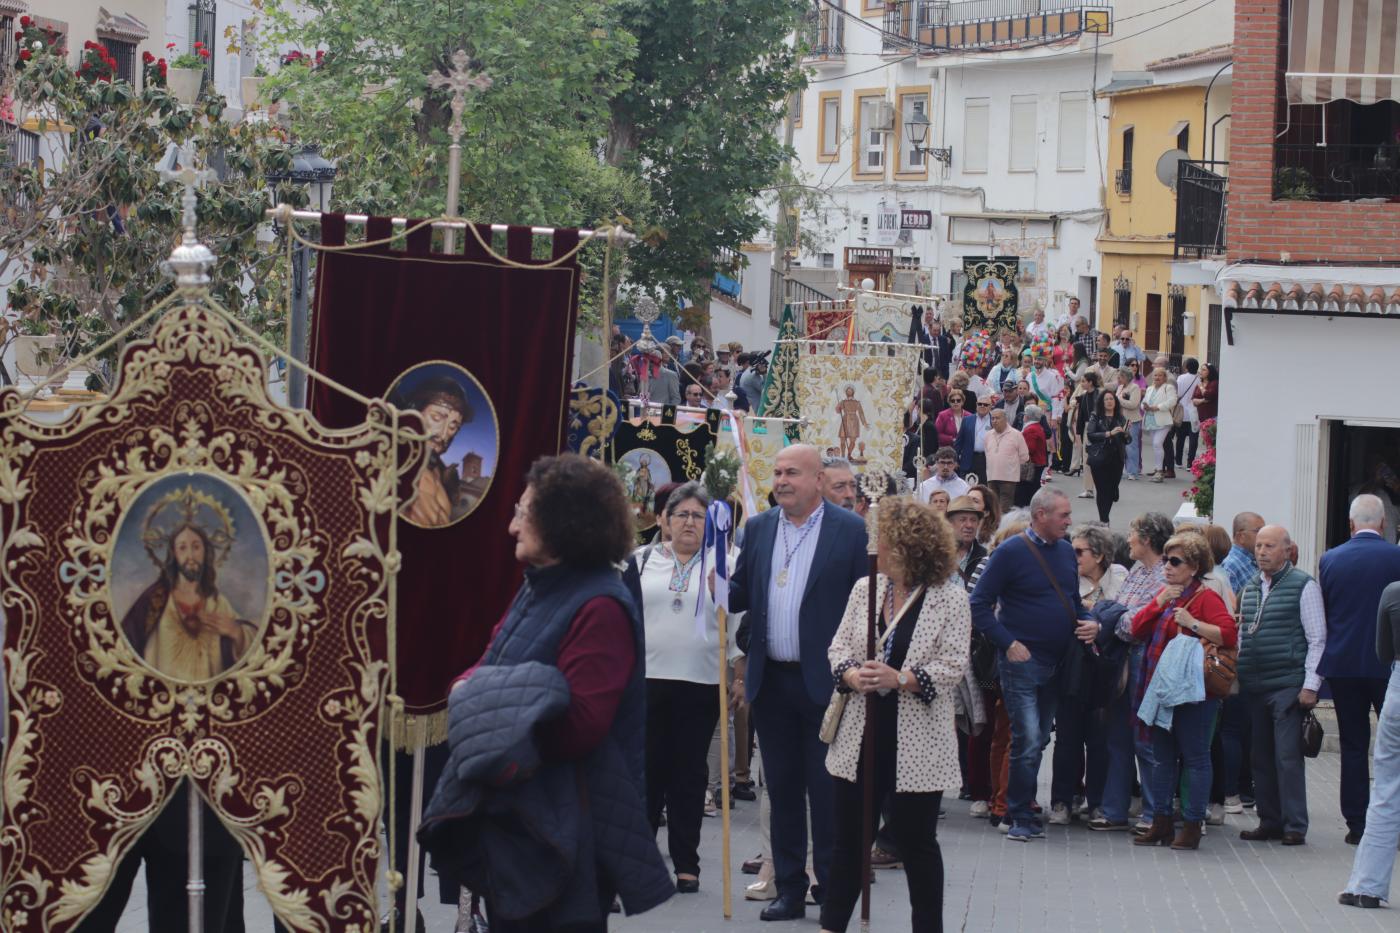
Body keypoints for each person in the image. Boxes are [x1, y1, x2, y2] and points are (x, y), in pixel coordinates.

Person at [424, 454, 672, 931]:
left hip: (565, 831)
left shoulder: (600, 605)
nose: (513, 526)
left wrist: (485, 704)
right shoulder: (541, 587)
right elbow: (483, 673)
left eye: (523, 512)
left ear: (563, 521)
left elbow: (580, 725)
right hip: (526, 821)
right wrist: (490, 695)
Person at [728, 445, 868, 921]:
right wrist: (711, 572)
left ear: (816, 480)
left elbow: (864, 604)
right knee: (783, 790)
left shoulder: (849, 531)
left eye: (791, 472)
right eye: (777, 472)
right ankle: (789, 888)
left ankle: (831, 887)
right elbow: (740, 593)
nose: (781, 479)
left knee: (827, 792)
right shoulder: (759, 527)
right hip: (773, 683)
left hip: (827, 684)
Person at [820, 498, 969, 933]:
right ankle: (832, 926)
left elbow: (952, 665)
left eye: (882, 539)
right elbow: (839, 646)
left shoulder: (950, 598)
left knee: (916, 841)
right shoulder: (867, 588)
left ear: (908, 546)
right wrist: (851, 673)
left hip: (917, 740)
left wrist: (898, 678)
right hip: (860, 733)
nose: (874, 547)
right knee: (849, 842)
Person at [970, 488, 1098, 842]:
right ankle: (1018, 814)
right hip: (1021, 664)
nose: (1069, 521)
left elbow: (1072, 600)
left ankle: (1018, 807)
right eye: (1063, 515)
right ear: (1041, 516)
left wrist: (1091, 622)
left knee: (1039, 738)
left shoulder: (1064, 551)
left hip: (1058, 662)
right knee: (1026, 739)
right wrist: (1007, 643)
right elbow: (979, 603)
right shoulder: (1010, 551)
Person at [634, 483, 742, 893]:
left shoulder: (725, 562)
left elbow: (735, 620)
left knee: (689, 774)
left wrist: (738, 671)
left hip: (700, 681)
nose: (689, 523)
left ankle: (686, 863)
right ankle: (641, 861)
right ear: (664, 519)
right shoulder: (641, 561)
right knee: (646, 771)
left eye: (698, 516)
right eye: (681, 515)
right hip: (646, 680)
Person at [1129, 533, 1238, 850]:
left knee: (1194, 758)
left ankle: (1191, 824)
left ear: (1194, 566)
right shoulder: (1167, 594)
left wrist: (1192, 623)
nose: (1167, 566)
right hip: (1162, 688)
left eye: (1175, 561)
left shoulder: (1205, 597)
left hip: (1194, 691)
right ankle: (1161, 821)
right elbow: (1136, 629)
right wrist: (1157, 603)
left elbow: (1228, 635)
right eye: (1165, 560)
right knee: (1162, 758)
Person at [1236, 525, 1327, 846]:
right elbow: (1241, 634)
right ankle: (1270, 820)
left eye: (1269, 546)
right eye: (1258, 545)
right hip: (1254, 685)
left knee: (1287, 757)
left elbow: (1317, 639)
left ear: (1287, 550)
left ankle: (1294, 825)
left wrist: (1311, 685)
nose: (1261, 551)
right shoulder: (1249, 587)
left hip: (1287, 684)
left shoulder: (1304, 586)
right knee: (1259, 756)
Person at [1319, 494, 1400, 844]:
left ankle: (1357, 823)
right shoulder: (1396, 558)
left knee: (1353, 744)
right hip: (1389, 665)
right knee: (1394, 745)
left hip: (1345, 663)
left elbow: (1327, 611)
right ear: (1383, 524)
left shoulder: (1330, 560)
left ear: (1351, 524)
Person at [1090, 512, 1174, 832]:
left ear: (1147, 540)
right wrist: (1118, 618)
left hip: (1146, 659)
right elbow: (1120, 612)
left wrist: (1117, 619)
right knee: (1118, 736)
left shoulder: (1164, 576)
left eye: (1133, 533)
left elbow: (1129, 624)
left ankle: (1154, 812)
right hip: (1125, 659)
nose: (1128, 539)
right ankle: (1114, 809)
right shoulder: (1138, 571)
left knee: (1145, 737)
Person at [1048, 524, 1128, 827]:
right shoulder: (1066, 578)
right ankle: (1062, 801)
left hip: (1107, 669)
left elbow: (1125, 611)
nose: (1073, 556)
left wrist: (1096, 614)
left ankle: (1097, 802)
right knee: (1067, 738)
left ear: (1100, 554)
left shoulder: (1119, 577)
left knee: (1100, 739)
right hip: (1072, 668)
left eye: (1079, 551)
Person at [119, 523, 258, 681]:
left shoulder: (216, 601)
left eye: (196, 547)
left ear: (205, 552)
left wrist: (237, 632)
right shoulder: (154, 600)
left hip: (210, 696)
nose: (190, 556)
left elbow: (256, 650)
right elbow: (124, 647)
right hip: (163, 694)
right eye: (182, 548)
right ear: (174, 555)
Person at [1339, 578, 1400, 908]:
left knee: (1386, 788)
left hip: (1398, 690)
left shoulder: (1393, 592)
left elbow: (1383, 652)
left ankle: (1366, 886)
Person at [401, 376, 475, 527]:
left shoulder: (443, 475)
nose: (442, 435)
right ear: (414, 411)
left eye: (453, 427)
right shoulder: (391, 462)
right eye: (436, 417)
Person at [1085, 390, 1128, 524]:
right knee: (1102, 490)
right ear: (1102, 402)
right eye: (1106, 399)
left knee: (1112, 489)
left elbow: (1127, 440)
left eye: (1111, 399)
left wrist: (1126, 434)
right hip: (1100, 458)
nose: (1109, 401)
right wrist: (1109, 433)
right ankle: (1104, 520)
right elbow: (1091, 435)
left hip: (1117, 459)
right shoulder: (1095, 416)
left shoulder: (1120, 418)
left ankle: (1105, 517)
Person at [983, 409, 1029, 513]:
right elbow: (987, 452)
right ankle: (994, 528)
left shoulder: (1016, 434)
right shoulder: (988, 435)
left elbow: (1024, 457)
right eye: (992, 418)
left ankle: (1003, 528)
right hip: (992, 476)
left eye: (997, 418)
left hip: (1009, 478)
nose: (994, 421)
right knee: (992, 507)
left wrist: (1010, 465)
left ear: (1005, 419)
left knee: (1005, 508)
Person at [1141, 359, 1178, 483]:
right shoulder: (1150, 388)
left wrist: (1157, 407)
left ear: (1164, 377)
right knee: (1156, 445)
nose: (1157, 377)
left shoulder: (1169, 387)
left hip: (1163, 420)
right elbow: (1144, 401)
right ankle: (1158, 469)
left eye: (1160, 375)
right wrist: (1144, 406)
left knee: (1157, 444)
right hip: (1151, 420)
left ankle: (1159, 471)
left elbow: (1172, 401)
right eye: (1155, 375)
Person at [1016, 405, 1048, 508]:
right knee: (1032, 486)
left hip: (1033, 463)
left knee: (1029, 488)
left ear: (1028, 416)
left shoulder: (1031, 429)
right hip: (1037, 462)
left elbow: (1029, 448)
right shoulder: (1036, 427)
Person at [955, 395, 993, 481]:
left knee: (984, 489)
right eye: (980, 404)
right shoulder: (967, 420)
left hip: (986, 460)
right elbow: (959, 442)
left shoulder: (994, 420)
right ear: (976, 405)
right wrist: (955, 459)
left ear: (990, 406)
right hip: (968, 459)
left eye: (985, 405)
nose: (982, 406)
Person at [1173, 358, 1202, 470]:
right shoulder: (1200, 380)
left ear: (1186, 367)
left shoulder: (1181, 378)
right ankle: (1191, 463)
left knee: (1180, 438)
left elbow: (1178, 393)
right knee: (1193, 439)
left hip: (1182, 412)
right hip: (1194, 413)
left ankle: (1178, 461)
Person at [1115, 367, 1143, 481]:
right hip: (1120, 420)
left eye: (1120, 376)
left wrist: (1117, 400)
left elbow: (1133, 404)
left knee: (1131, 446)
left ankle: (1133, 471)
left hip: (1132, 420)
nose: (1118, 378)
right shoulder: (1121, 387)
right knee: (1121, 446)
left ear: (1126, 377)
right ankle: (1123, 469)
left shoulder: (1135, 387)